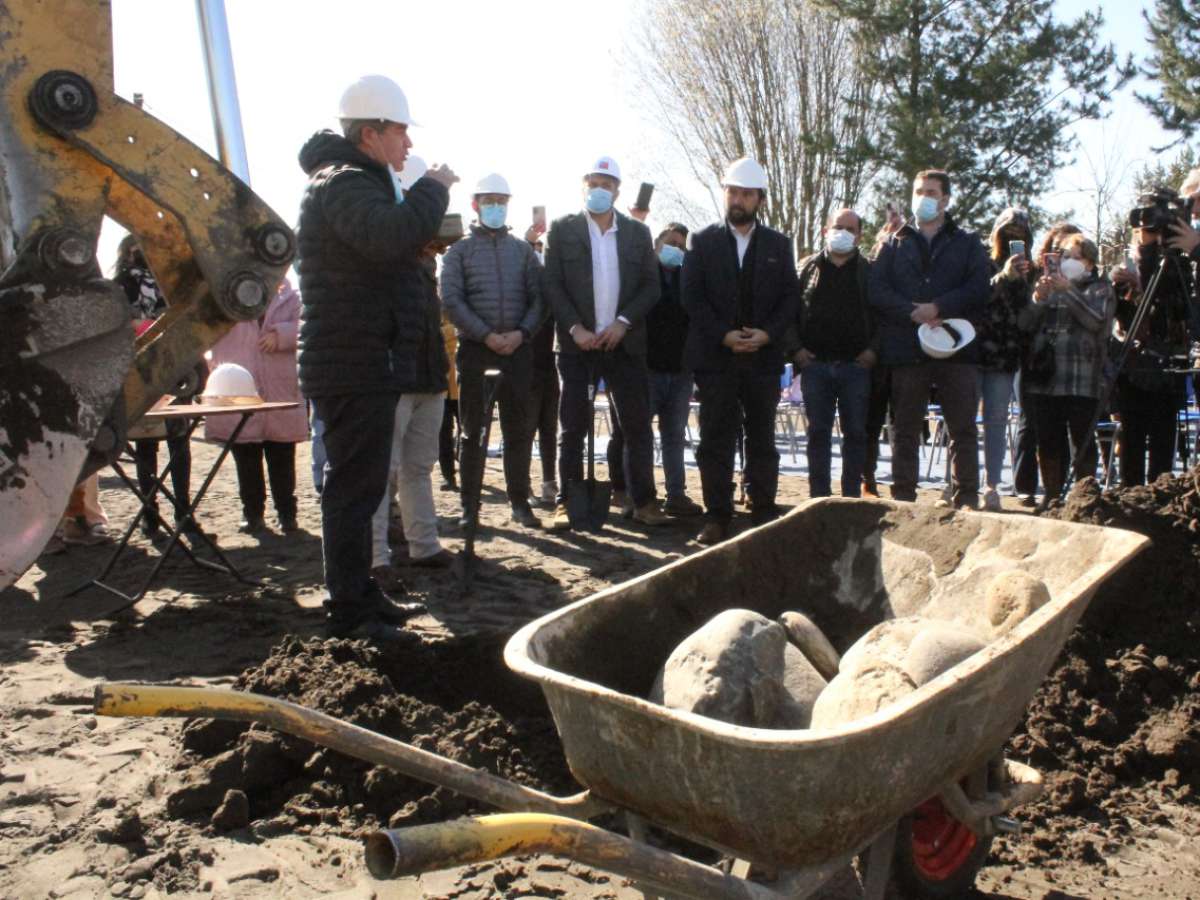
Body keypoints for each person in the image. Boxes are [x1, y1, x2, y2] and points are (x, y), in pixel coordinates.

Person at [296, 74, 457, 641]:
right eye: (402, 132)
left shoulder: (352, 182)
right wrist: (433, 188)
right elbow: (388, 237)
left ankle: (361, 592)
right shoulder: (342, 183)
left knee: (363, 487)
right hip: (353, 363)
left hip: (363, 360)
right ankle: (348, 608)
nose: (408, 146)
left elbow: (384, 249)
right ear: (372, 132)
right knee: (352, 489)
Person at [542, 156, 670, 530]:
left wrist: (623, 323)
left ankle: (644, 501)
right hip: (576, 347)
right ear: (584, 185)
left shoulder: (636, 233)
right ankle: (566, 502)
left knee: (636, 426)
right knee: (573, 427)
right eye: (593, 183)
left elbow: (651, 286)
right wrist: (575, 329)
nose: (599, 190)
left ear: (617, 189)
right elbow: (553, 285)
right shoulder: (562, 229)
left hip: (624, 345)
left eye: (607, 184)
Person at [682, 157, 799, 544]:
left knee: (762, 435)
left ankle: (763, 507)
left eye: (746, 193)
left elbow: (789, 298)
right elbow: (692, 297)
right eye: (732, 191)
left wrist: (767, 334)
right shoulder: (702, 241)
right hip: (716, 360)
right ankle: (717, 513)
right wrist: (723, 335)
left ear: (759, 199)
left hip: (763, 360)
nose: (738, 199)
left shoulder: (779, 245)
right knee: (715, 437)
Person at [870, 169, 990, 508]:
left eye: (931, 191)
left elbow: (980, 287)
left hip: (957, 348)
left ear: (946, 199)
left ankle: (966, 497)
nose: (924, 197)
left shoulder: (967, 242)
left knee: (962, 428)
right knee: (905, 428)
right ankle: (904, 497)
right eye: (919, 190)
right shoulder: (893, 243)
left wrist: (939, 306)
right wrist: (911, 311)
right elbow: (877, 289)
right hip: (907, 348)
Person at [441, 173, 546, 529]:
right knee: (473, 432)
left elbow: (538, 299)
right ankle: (470, 508)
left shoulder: (523, 252)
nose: (496, 207)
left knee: (518, 431)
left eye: (502, 201)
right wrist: (486, 335)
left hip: (518, 352)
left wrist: (522, 333)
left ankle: (520, 502)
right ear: (475, 204)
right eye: (489, 201)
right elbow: (452, 299)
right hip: (475, 352)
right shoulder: (458, 251)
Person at [370, 217, 461, 588]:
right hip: (396, 381)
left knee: (418, 467)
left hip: (429, 378)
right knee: (382, 471)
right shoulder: (386, 267)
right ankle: (375, 556)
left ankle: (424, 545)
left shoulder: (427, 268)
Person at [206, 278, 308, 534]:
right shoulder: (226, 293)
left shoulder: (291, 297)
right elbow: (207, 324)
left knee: (282, 455)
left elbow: (307, 326)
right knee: (246, 455)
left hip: (279, 385)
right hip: (239, 385)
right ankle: (252, 513)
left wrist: (282, 334)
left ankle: (287, 514)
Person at [1020, 234, 1115, 503]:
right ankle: (1051, 496)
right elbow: (1025, 323)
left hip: (1082, 380)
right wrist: (1039, 297)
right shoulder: (1050, 285)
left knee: (1082, 442)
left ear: (1089, 262)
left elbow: (1097, 321)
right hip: (1046, 378)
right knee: (1048, 441)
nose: (1070, 262)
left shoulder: (1100, 288)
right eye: (1066, 256)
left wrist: (1068, 291)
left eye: (1077, 257)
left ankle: (1084, 499)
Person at [113, 235, 196, 539]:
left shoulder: (170, 280)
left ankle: (183, 512)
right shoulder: (121, 284)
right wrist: (144, 328)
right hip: (141, 370)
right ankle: (150, 514)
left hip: (175, 367)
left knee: (179, 441)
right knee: (146, 444)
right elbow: (118, 324)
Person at [792, 208, 876, 499]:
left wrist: (873, 351)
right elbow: (789, 312)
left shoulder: (870, 271)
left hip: (856, 367)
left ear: (859, 235)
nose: (844, 232)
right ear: (826, 231)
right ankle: (819, 497)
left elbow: (883, 315)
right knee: (818, 434)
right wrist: (796, 350)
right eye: (838, 226)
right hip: (815, 365)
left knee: (855, 433)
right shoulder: (805, 268)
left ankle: (851, 497)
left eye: (851, 229)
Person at [1111, 201, 1195, 486]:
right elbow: (1119, 319)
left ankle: (1158, 496)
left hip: (1167, 368)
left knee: (1162, 445)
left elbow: (1178, 310)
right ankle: (1129, 497)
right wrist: (1121, 286)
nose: (1146, 230)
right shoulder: (1128, 263)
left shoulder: (1179, 265)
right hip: (1134, 369)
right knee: (1131, 441)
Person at [978, 208, 1035, 510]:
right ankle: (956, 484)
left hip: (1006, 356)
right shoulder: (981, 262)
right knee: (960, 420)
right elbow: (975, 298)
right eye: (1009, 233)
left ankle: (991, 485)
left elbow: (1030, 313)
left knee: (997, 421)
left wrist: (1025, 282)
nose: (1015, 238)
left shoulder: (1032, 269)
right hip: (974, 351)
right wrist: (1003, 276)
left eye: (1021, 235)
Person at [437, 309, 460, 492]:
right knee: (443, 433)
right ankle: (449, 476)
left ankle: (468, 473)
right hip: (442, 386)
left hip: (463, 386)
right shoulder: (436, 318)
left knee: (468, 431)